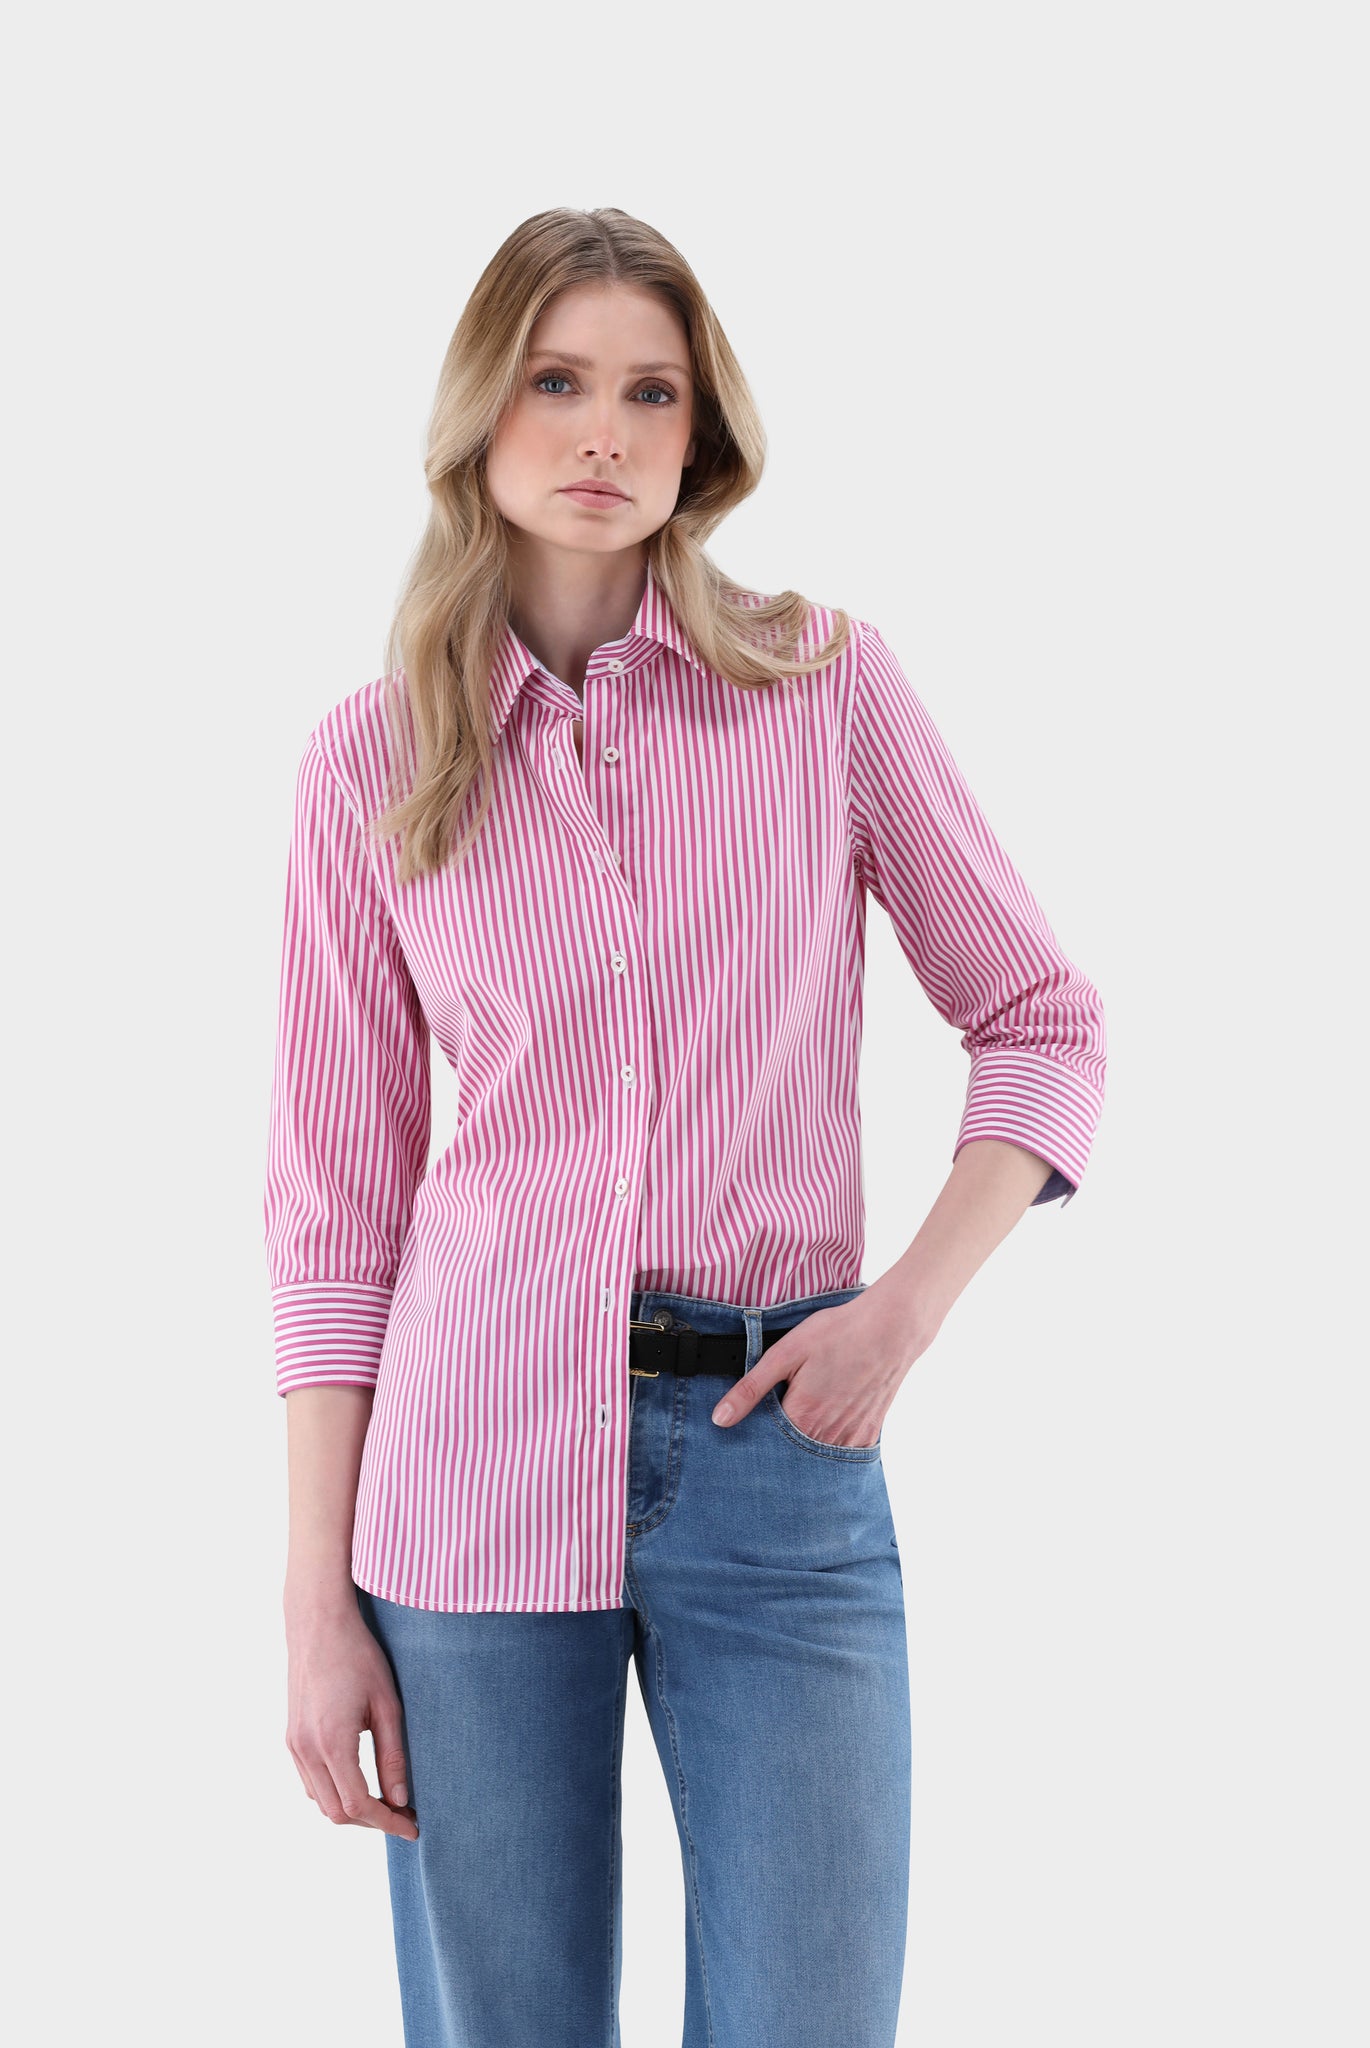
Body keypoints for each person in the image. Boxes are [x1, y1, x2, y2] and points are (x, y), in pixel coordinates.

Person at [263, 205, 1107, 2048]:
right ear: (479, 415)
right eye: (556, 382)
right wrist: (316, 1605)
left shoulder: (822, 686)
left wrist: (899, 1315)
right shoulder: (370, 761)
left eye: (651, 392)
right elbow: (334, 1213)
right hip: (468, 1468)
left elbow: (1041, 1022)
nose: (604, 433)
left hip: (776, 1449)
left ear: (700, 432)